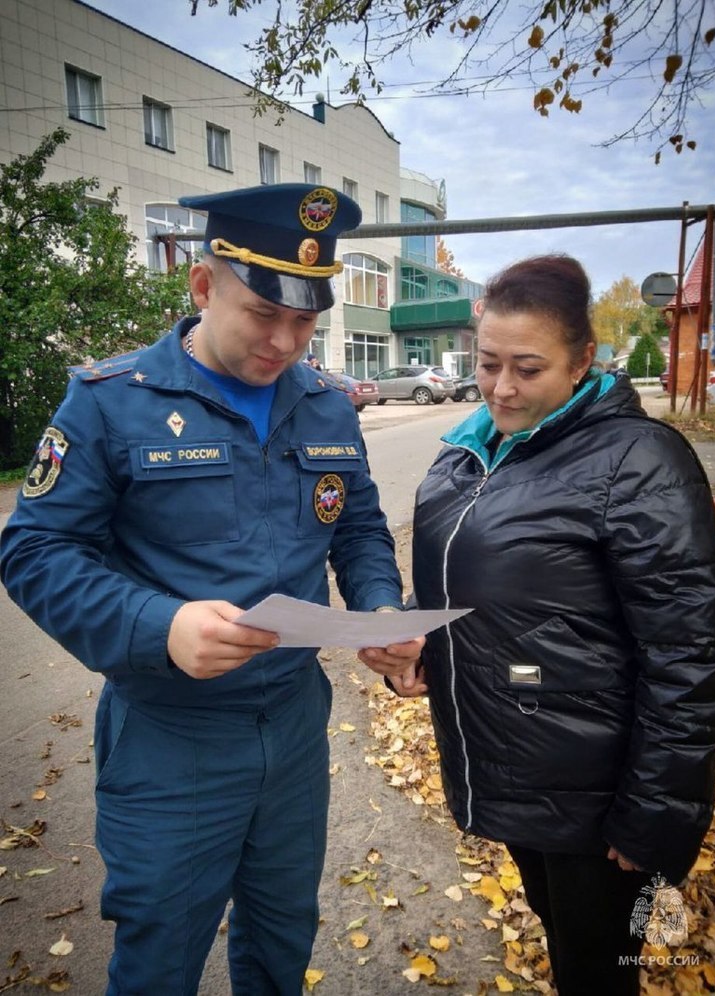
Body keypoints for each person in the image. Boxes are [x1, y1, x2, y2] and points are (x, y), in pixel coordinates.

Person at [0, 182, 424, 996]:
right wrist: (159, 625)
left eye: (304, 320)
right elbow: (34, 551)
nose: (285, 340)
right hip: (170, 737)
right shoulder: (110, 403)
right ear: (202, 287)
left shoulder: (327, 406)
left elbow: (360, 527)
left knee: (280, 939)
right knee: (160, 959)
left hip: (294, 729)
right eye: (264, 313)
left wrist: (378, 605)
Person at [396, 255, 715, 995]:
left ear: (583, 361)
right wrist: (427, 651)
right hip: (517, 769)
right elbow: (494, 602)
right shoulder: (473, 449)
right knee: (565, 940)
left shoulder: (637, 462)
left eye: (528, 368)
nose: (502, 387)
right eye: (487, 364)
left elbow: (688, 658)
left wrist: (654, 815)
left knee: (598, 972)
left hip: (602, 796)